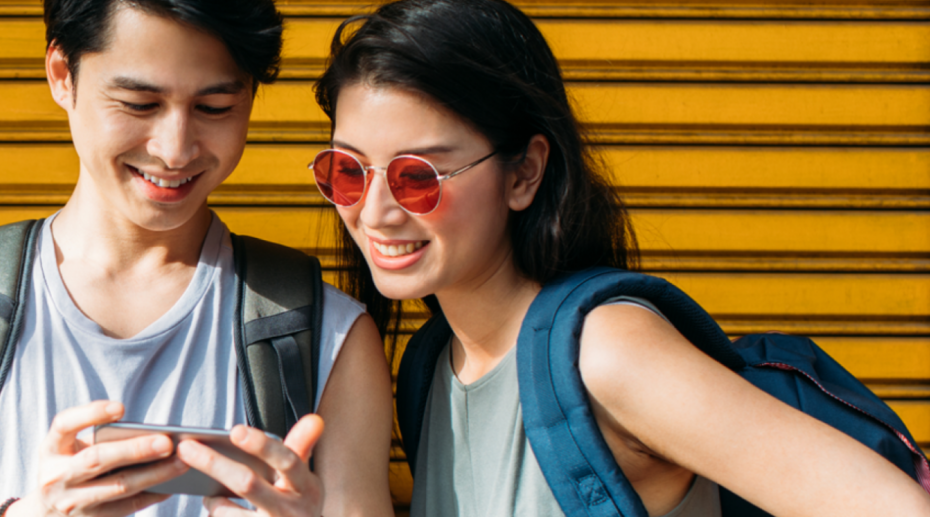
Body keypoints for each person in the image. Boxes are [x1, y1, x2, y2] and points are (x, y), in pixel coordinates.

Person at [309, 0, 930, 515]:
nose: (375, 212)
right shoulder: (430, 365)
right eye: (347, 171)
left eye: (419, 176)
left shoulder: (606, 352)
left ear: (524, 172)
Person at [0, 0, 396, 516]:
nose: (175, 148)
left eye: (214, 106)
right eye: (139, 104)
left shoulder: (332, 338)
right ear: (63, 75)